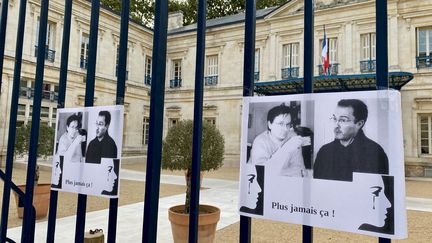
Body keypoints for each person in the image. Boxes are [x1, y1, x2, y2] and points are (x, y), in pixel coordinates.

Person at [313, 99, 389, 181]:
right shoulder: (324, 151)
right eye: (335, 119)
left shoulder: (375, 152)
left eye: (343, 120)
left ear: (359, 124)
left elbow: (378, 189)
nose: (336, 125)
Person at [248, 103, 309, 177]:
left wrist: (277, 172)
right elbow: (262, 173)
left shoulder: (292, 136)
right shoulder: (260, 142)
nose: (285, 129)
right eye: (280, 124)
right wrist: (287, 148)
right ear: (270, 124)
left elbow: (299, 170)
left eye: (288, 124)